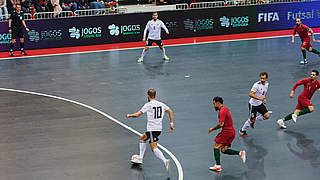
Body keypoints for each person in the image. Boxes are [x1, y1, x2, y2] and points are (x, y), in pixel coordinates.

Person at [126, 89, 174, 172]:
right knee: (143, 138)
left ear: (148, 96)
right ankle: (140, 158)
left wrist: (129, 115)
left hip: (152, 129)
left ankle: (165, 161)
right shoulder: (161, 104)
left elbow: (137, 114)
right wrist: (171, 123)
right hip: (158, 129)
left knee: (154, 148)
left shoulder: (148, 105)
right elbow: (170, 111)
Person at [208, 96, 246, 172]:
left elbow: (221, 124)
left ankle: (218, 166)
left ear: (218, 103)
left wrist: (212, 129)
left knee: (216, 146)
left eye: (214, 103)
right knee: (223, 150)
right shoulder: (225, 109)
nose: (214, 105)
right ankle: (240, 153)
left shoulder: (222, 111)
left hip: (227, 132)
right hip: (232, 132)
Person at [239, 72, 270, 137]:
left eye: (264, 78)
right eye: (261, 78)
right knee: (251, 119)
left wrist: (264, 99)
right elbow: (250, 94)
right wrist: (260, 98)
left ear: (266, 78)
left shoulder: (267, 84)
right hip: (253, 105)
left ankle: (253, 120)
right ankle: (242, 130)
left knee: (267, 116)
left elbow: (264, 93)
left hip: (260, 104)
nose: (262, 80)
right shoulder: (256, 85)